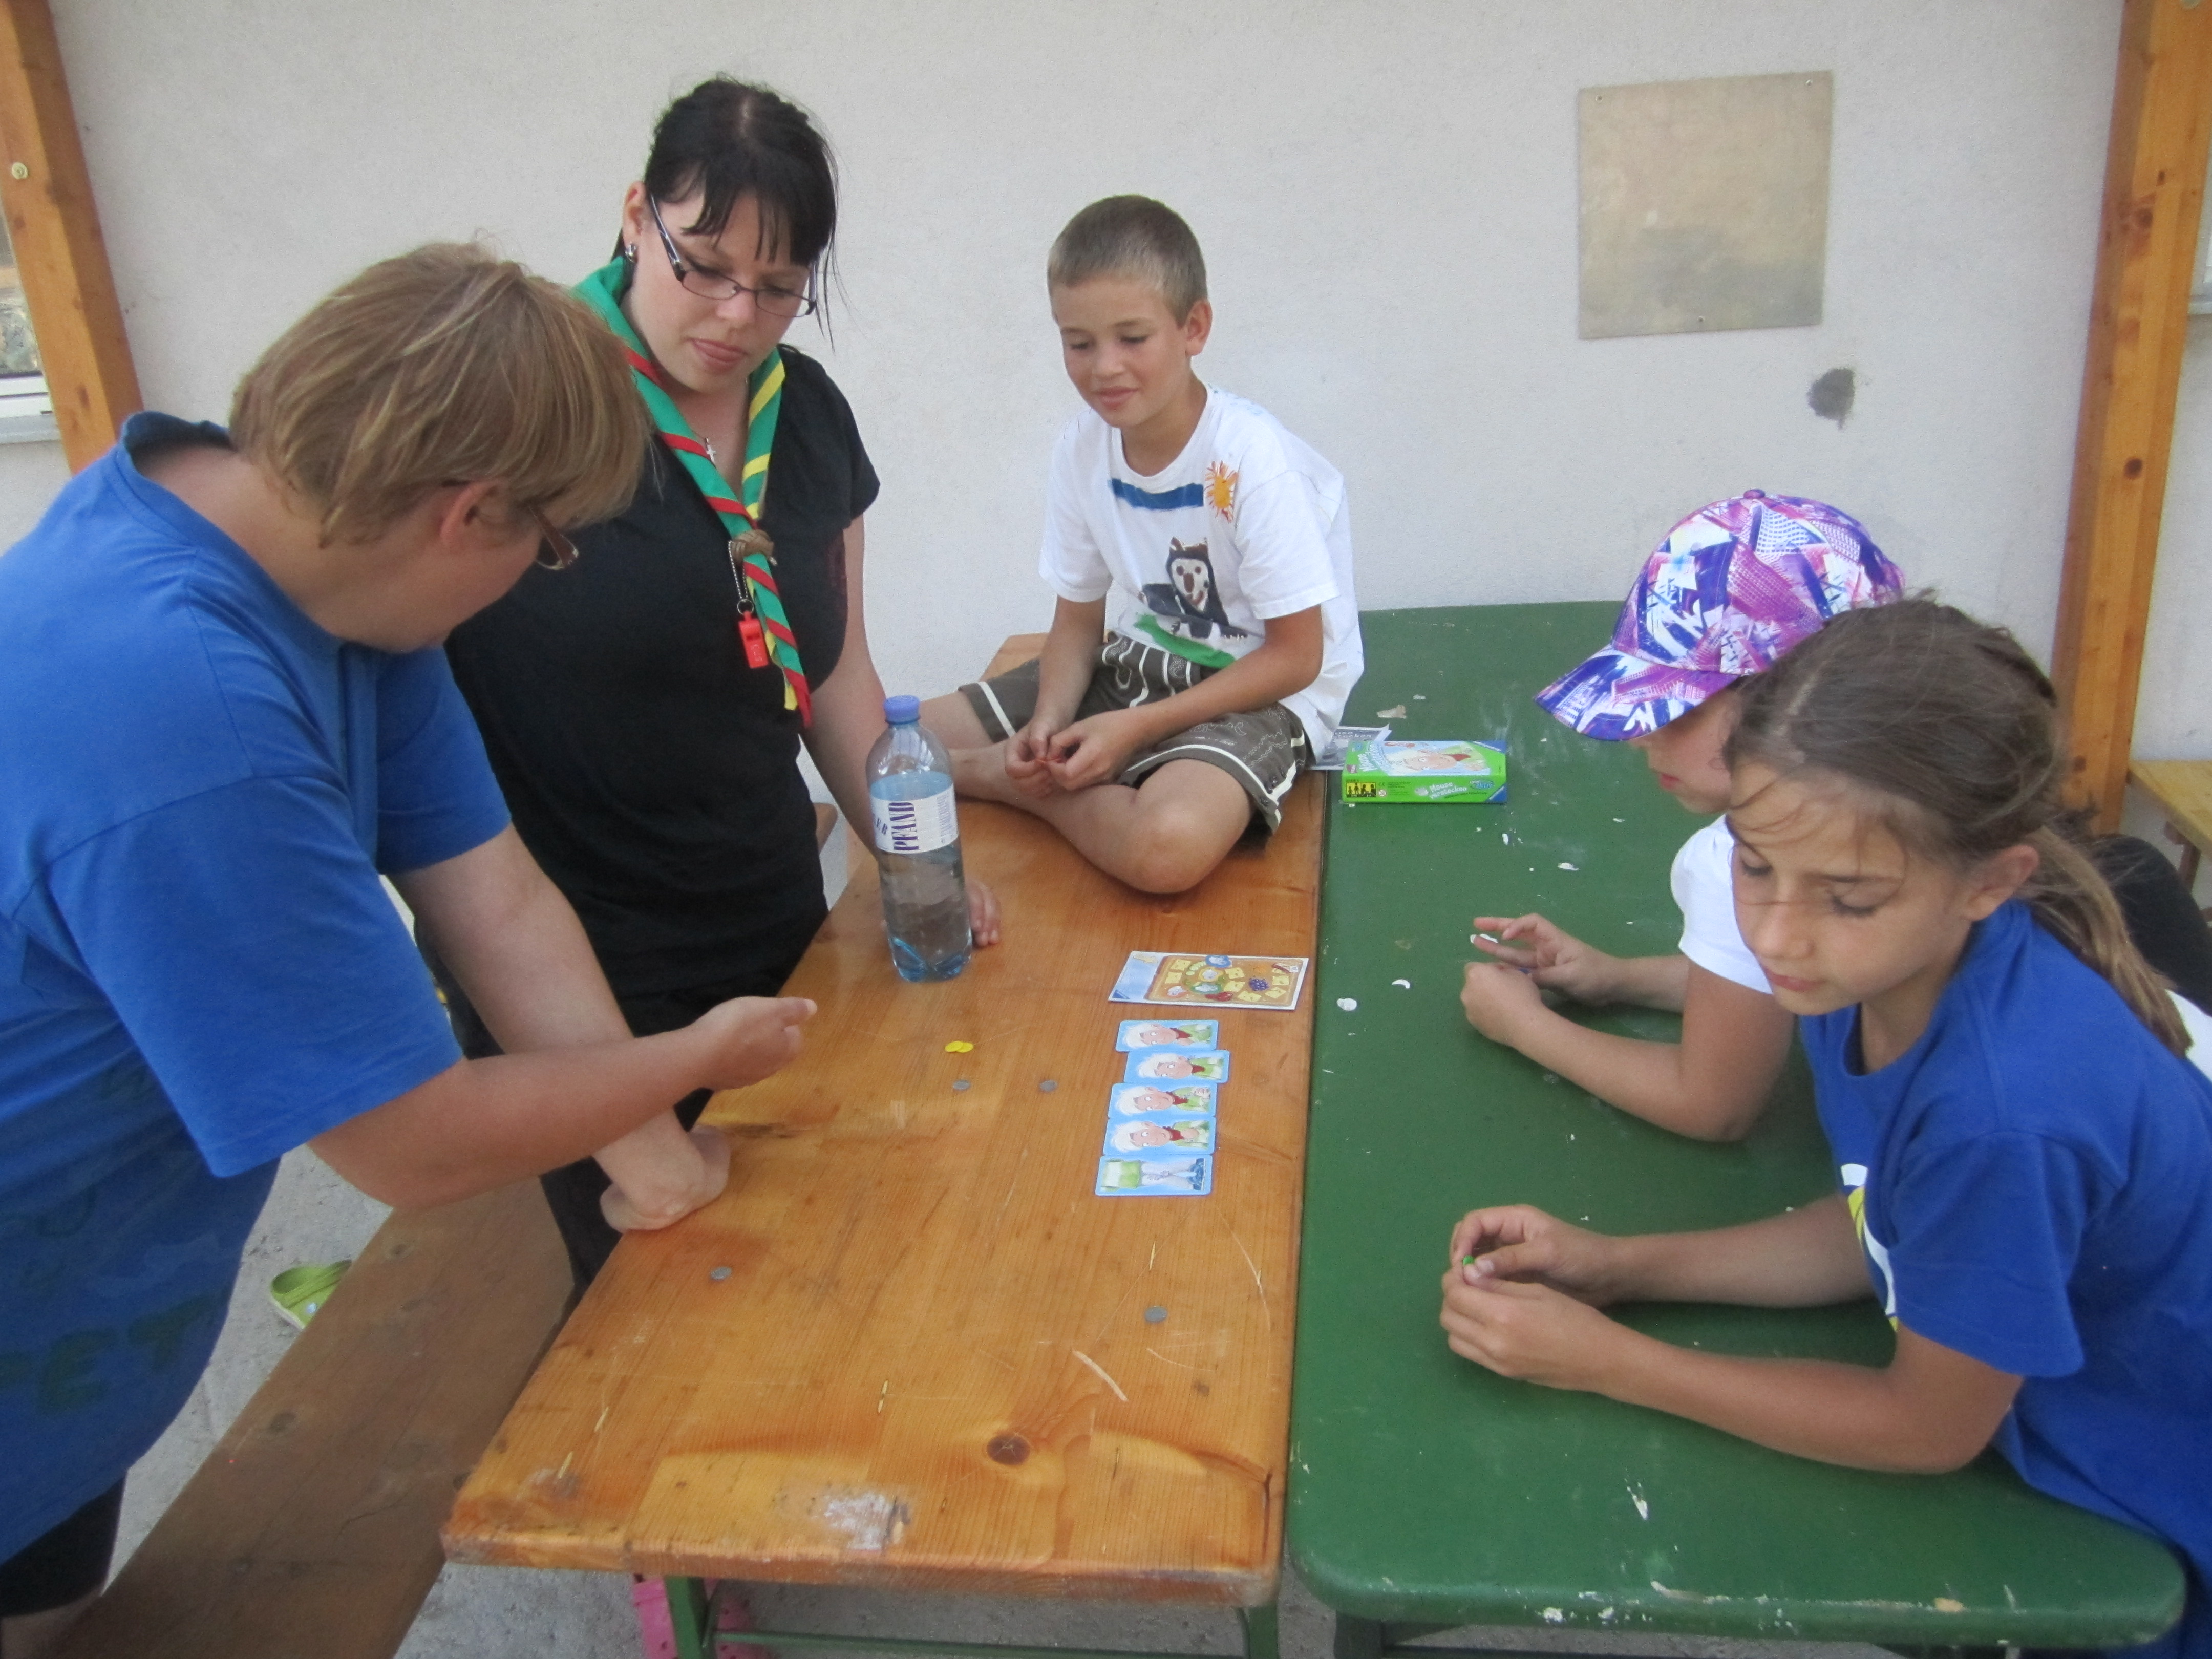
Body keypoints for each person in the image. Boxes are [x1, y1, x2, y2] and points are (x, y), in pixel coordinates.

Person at [0, 245, 814, 1659]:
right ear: (468, 513)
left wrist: (659, 1165)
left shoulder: (318, 557)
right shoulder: (186, 712)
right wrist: (694, 1056)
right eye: (546, 544)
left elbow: (498, 903)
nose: (536, 575)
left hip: (77, 1346)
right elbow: (411, 1144)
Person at [1438, 599, 2211, 1659]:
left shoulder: (2004, 1116)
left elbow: (1927, 1428)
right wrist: (1620, 1266)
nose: (1777, 936)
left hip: (2143, 1526)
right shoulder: (1885, 972)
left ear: (1990, 881)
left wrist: (1611, 1361)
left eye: (1846, 898)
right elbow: (1887, 1220)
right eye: (1756, 865)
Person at [435, 78, 997, 1298]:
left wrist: (915, 866)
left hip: (771, 921)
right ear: (637, 215)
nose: (740, 316)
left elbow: (833, 665)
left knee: (836, 1273)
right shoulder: (528, 407)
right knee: (665, 1310)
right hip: (582, 969)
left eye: (781, 286)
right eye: (706, 267)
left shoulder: (807, 415)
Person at [920, 195, 1362, 896]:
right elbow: (1076, 623)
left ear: (1194, 328)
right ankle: (1031, 770)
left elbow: (1297, 657)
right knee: (898, 745)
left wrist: (1132, 730)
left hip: (1261, 693)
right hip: (1141, 661)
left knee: (1167, 850)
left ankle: (1009, 783)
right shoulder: (1081, 447)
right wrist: (1048, 723)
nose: (1105, 368)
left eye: (1132, 338)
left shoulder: (1254, 459)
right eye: (1079, 343)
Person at [1459, 493, 1902, 1139]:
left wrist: (1525, 1027)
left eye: (1679, 707)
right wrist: (1616, 979)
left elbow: (1713, 1104)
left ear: (1793, 703)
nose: (1641, 737)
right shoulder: (1908, 810)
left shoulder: (1754, 860)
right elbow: (1759, 979)